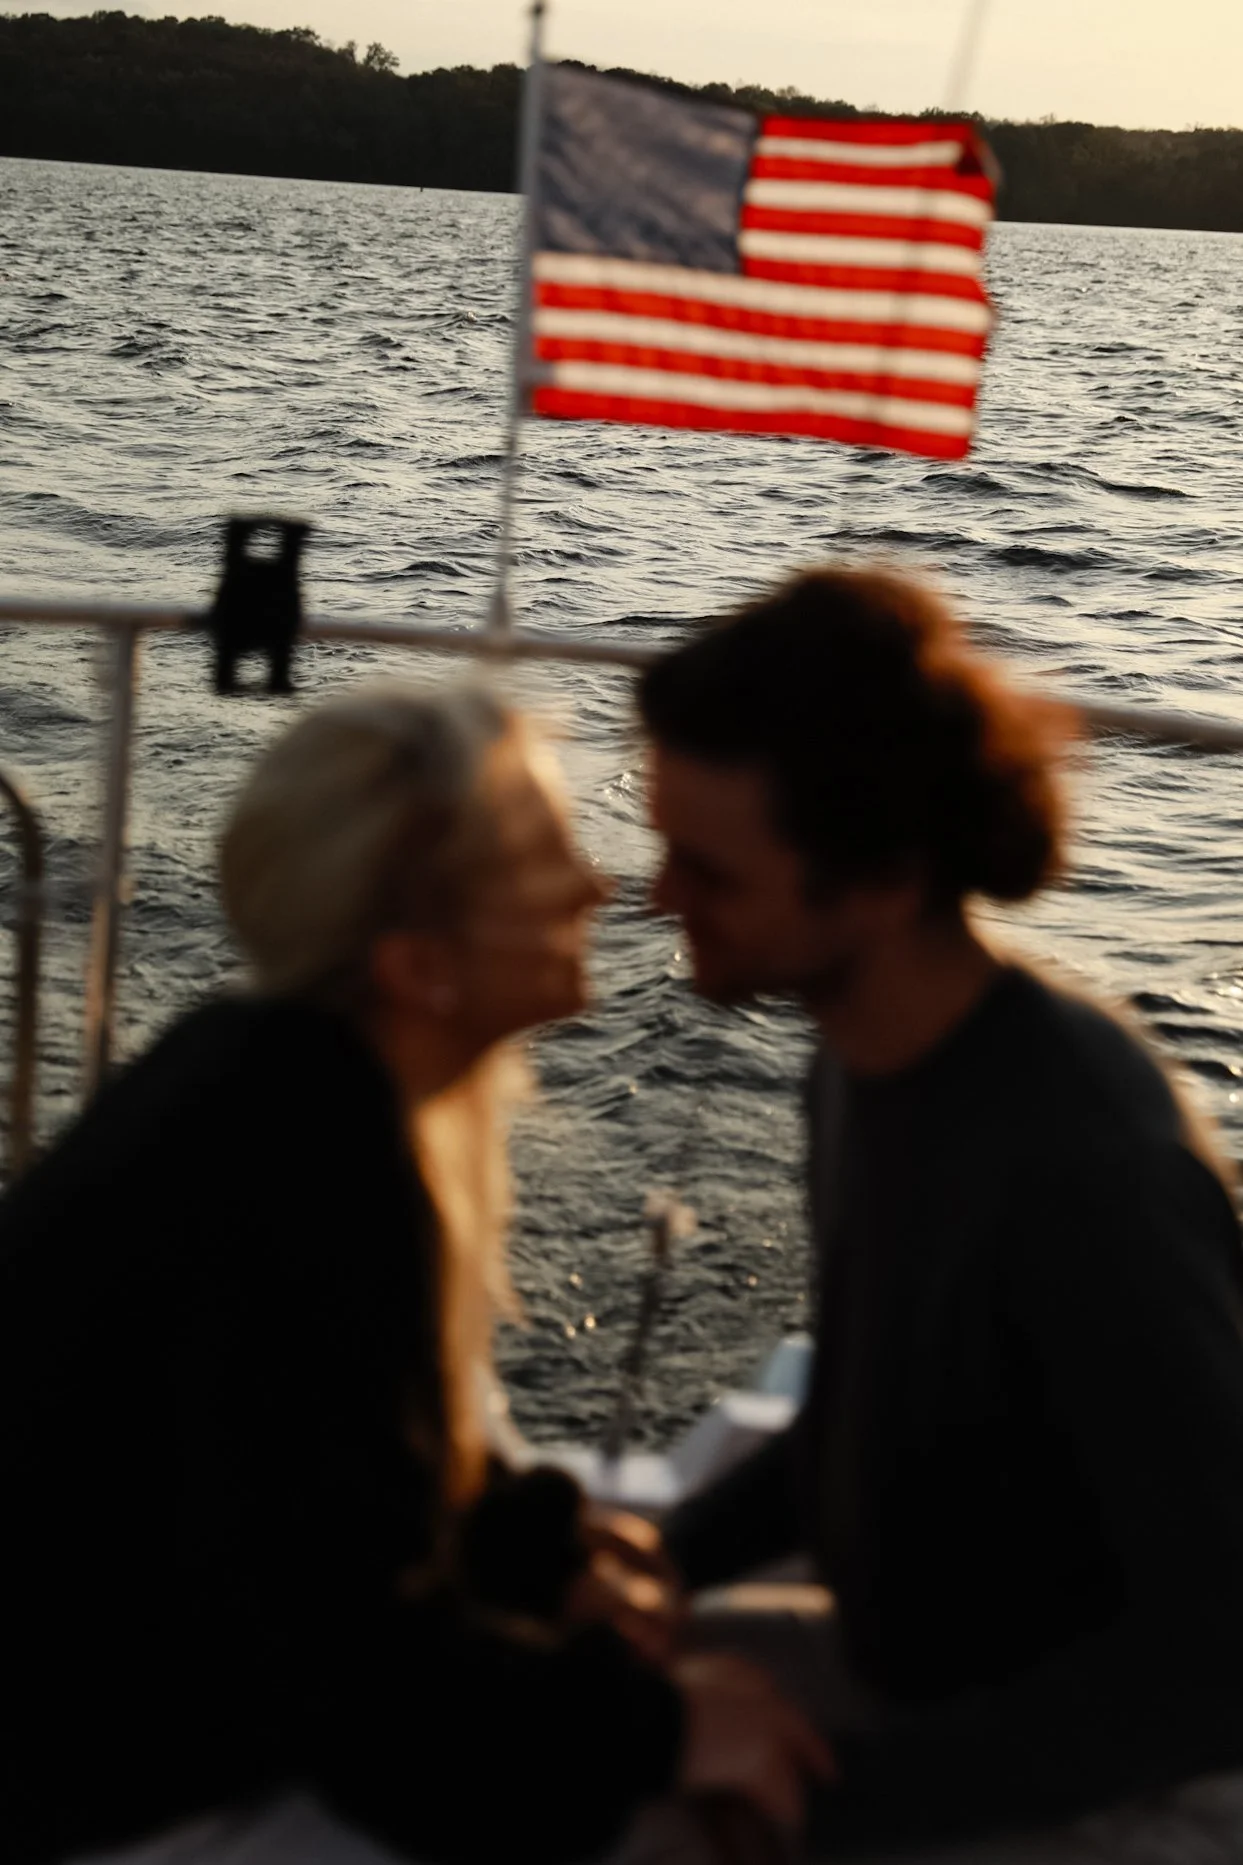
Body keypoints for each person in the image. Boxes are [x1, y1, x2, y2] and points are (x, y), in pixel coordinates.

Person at [0, 682, 826, 1865]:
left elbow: (315, 1500)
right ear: (419, 963)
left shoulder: (264, 1079)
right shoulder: (309, 1161)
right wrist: (669, 1728)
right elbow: (368, 1703)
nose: (599, 887)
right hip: (97, 1795)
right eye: (542, 862)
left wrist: (545, 1555)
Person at [633, 567, 1243, 1857]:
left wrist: (831, 1807)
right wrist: (661, 1565)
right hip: (916, 1675)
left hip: (1128, 1782)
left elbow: (1209, 1656)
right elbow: (863, 1413)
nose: (658, 895)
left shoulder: (1088, 1166)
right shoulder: (858, 1057)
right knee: (555, 1724)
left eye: (707, 867)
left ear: (878, 884)